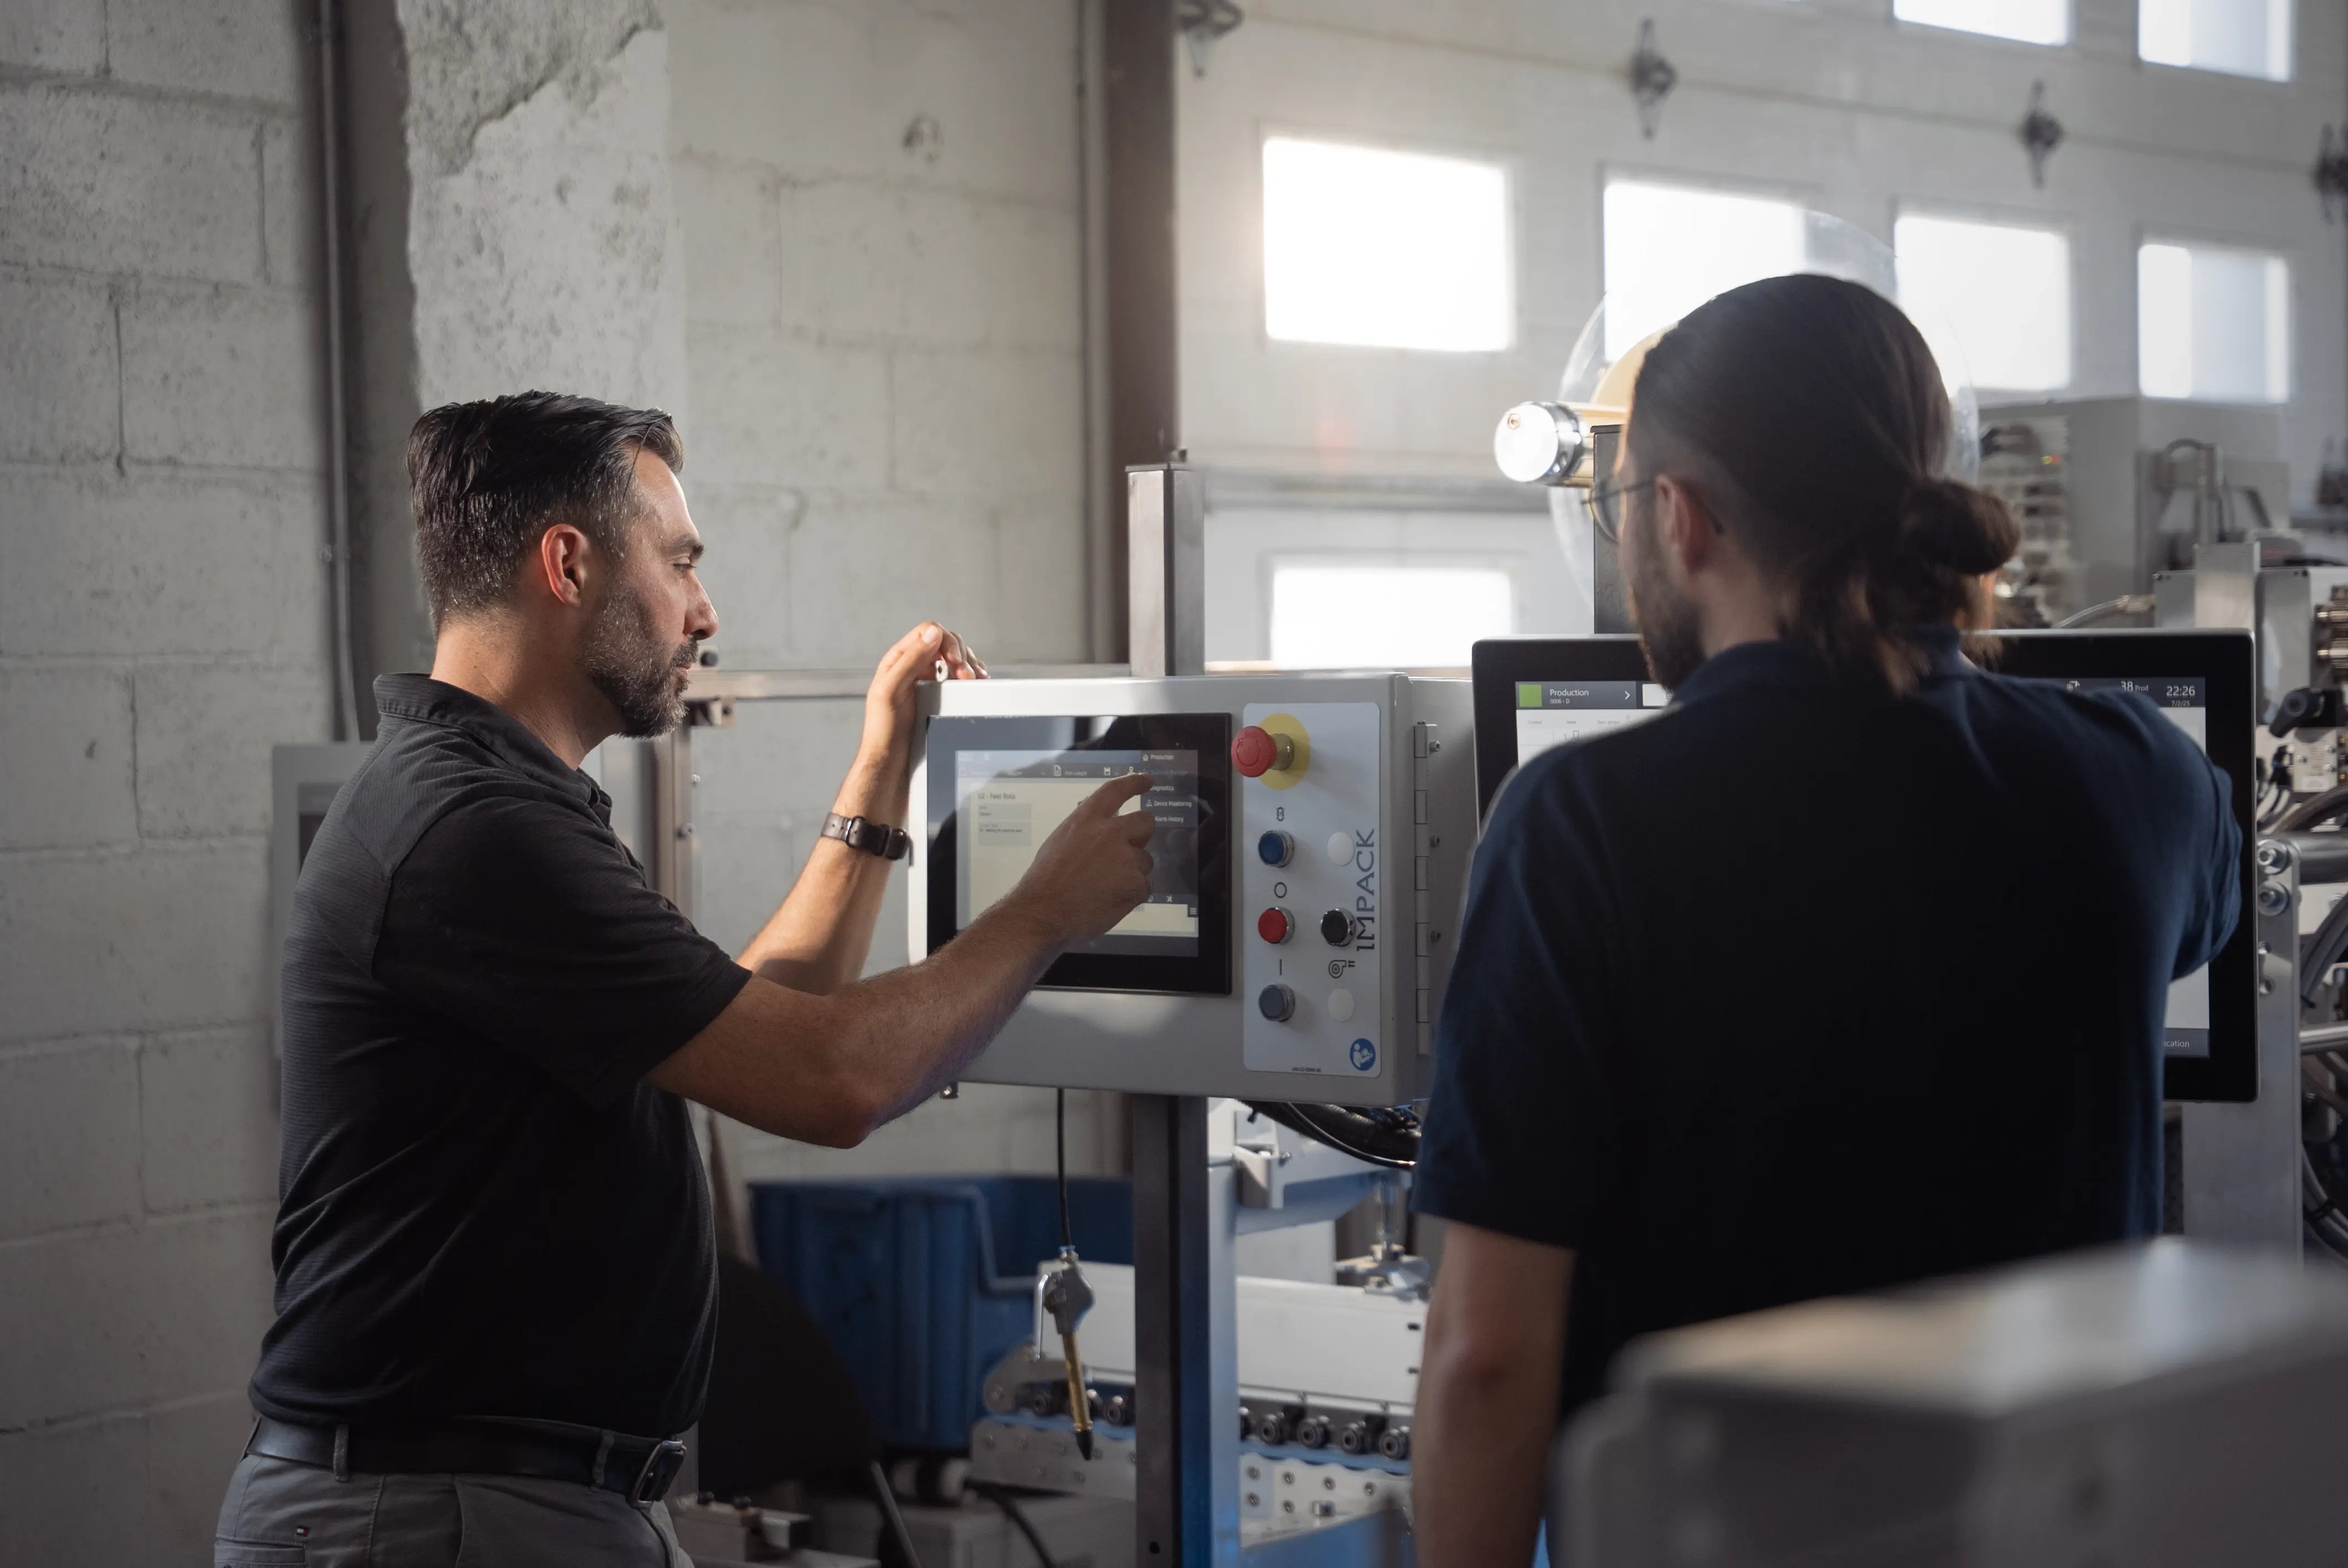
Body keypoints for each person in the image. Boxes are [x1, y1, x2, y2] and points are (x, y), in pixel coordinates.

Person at [215, 393, 1158, 1566]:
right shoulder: (472, 828)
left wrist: (879, 770)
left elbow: (763, 1020)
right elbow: (835, 1079)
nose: (702, 612)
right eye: (678, 564)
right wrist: (1043, 913)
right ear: (566, 563)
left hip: (501, 1503)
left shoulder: (495, 801)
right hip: (447, 1514)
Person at [1408, 275, 2241, 1566]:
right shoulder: (2139, 778)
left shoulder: (1580, 825)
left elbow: (1485, 1357)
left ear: (1677, 517)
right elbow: (2181, 927)